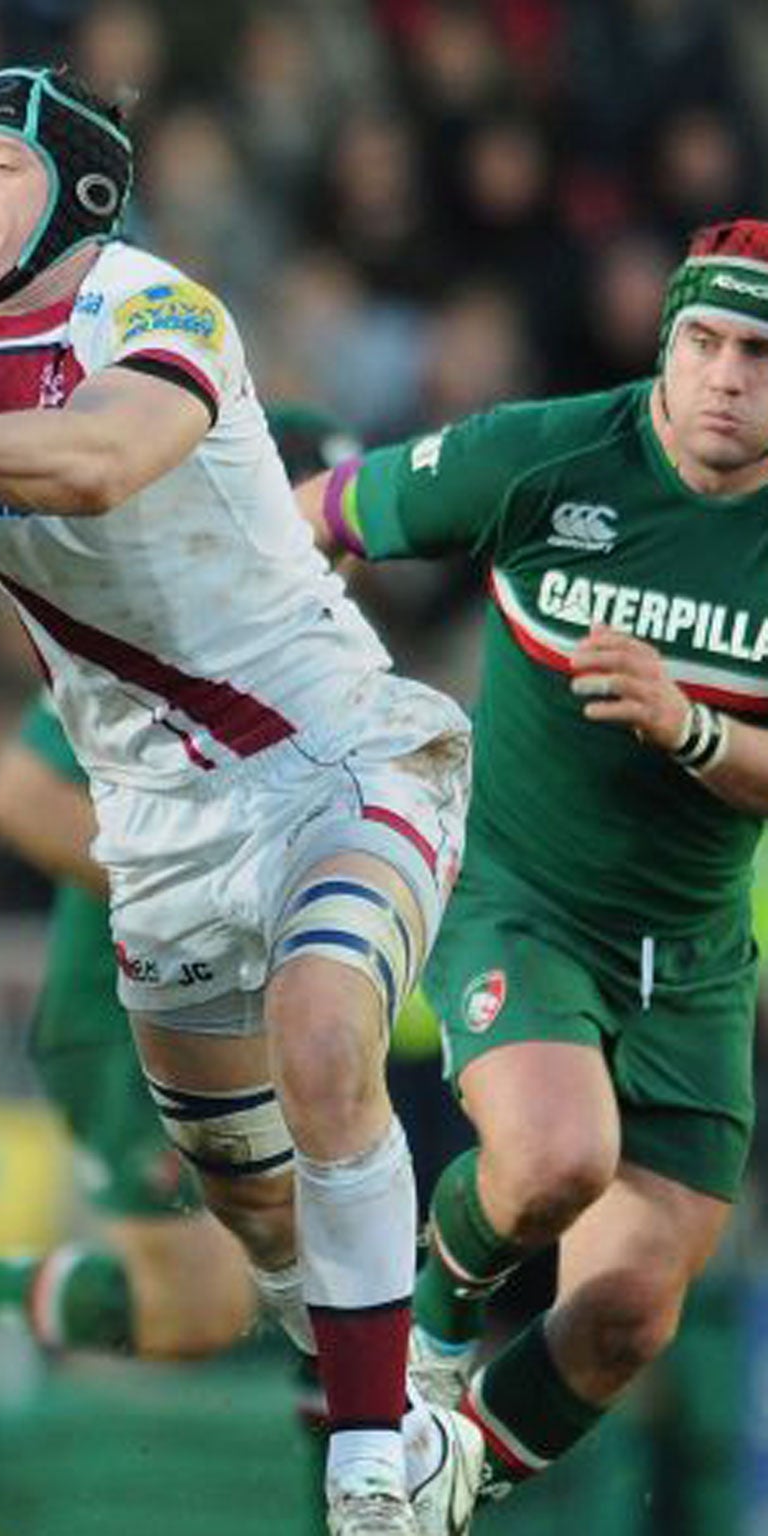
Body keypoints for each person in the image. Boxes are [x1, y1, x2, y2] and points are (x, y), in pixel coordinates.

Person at [0, 66, 478, 1536]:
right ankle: (409, 1390)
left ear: (81, 197)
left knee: (329, 1038)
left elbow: (94, 461)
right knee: (255, 1230)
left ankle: (374, 1467)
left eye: (1, 165)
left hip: (337, 757)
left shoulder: (155, 309)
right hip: (153, 838)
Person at [295, 216, 768, 1520]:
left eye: (762, 354)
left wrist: (692, 726)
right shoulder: (546, 456)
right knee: (557, 1154)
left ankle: (436, 1486)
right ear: (665, 346)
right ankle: (434, 1340)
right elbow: (318, 516)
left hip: (700, 958)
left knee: (627, 1316)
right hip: (519, 897)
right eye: (708, 342)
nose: (730, 376)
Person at [0, 408, 359, 1378]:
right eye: (314, 528)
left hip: (251, 1021)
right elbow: (19, 795)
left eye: (342, 533)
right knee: (211, 1308)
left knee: (299, 1282)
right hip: (132, 1029)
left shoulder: (323, 657)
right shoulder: (160, 637)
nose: (337, 556)